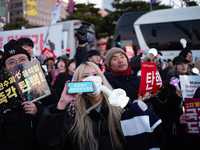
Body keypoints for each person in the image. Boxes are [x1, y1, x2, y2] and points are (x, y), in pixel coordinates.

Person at [37, 61, 127, 150]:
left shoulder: (118, 107)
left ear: (101, 78)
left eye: (95, 74)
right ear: (78, 82)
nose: (92, 78)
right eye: (85, 76)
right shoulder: (71, 113)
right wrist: (61, 103)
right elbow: (50, 143)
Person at [0, 39, 59, 150]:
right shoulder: (1, 91)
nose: (17, 64)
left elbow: (57, 116)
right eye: (11, 62)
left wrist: (39, 112)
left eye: (22, 59)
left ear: (29, 61)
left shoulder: (43, 87)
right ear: (5, 68)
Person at [163, 55, 191, 150]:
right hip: (175, 123)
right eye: (180, 64)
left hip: (192, 119)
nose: (184, 66)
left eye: (185, 63)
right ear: (175, 66)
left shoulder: (192, 79)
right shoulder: (168, 83)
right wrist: (174, 96)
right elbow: (165, 104)